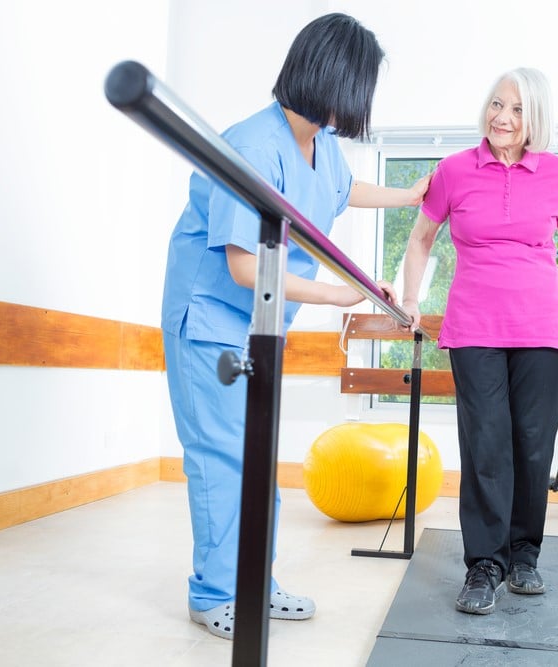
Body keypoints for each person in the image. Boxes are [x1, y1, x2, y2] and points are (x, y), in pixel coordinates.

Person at [161, 13, 430, 640]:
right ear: (332, 78)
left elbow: (340, 190)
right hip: (210, 321)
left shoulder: (318, 141)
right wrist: (342, 293)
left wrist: (409, 195)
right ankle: (212, 593)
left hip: (259, 326)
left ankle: (255, 581)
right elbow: (242, 264)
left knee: (259, 457)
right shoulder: (254, 145)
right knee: (223, 458)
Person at [398, 67, 558, 614]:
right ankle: (484, 564)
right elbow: (421, 240)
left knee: (531, 442)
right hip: (474, 326)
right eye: (497, 105)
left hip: (542, 327)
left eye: (518, 109)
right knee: (485, 444)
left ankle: (523, 554)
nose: (502, 117)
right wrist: (410, 300)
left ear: (536, 119)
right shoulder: (454, 170)